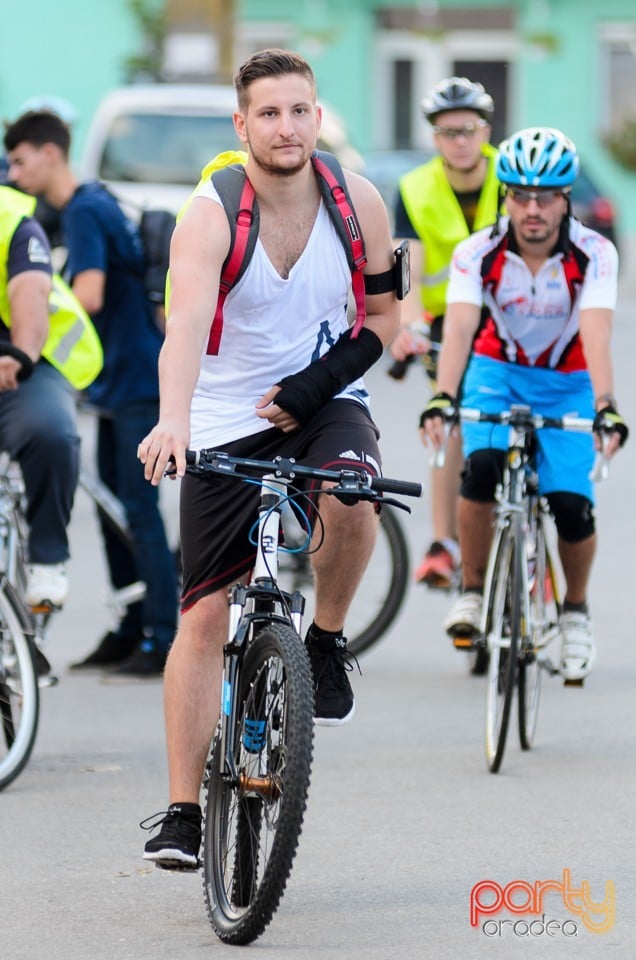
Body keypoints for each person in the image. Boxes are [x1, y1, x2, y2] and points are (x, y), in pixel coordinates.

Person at [136, 48, 400, 868]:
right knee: (204, 613)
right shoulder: (211, 214)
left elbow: (383, 324)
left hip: (324, 403)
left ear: (317, 118)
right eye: (270, 113)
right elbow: (183, 330)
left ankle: (323, 640)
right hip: (220, 412)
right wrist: (172, 421)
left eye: (300, 111)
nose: (287, 127)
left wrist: (313, 386)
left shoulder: (359, 203)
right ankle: (183, 811)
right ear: (242, 124)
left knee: (355, 495)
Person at [420, 127, 628, 682]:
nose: (532, 209)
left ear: (565, 199)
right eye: (520, 195)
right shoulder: (477, 251)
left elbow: (597, 333)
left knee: (570, 504)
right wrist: (443, 395)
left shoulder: (595, 253)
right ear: (505, 196)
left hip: (567, 380)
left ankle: (575, 611)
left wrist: (605, 404)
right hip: (497, 373)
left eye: (546, 196)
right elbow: (461, 326)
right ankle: (470, 590)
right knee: (481, 468)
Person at [4, 110, 178, 677]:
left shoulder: (80, 209)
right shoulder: (96, 199)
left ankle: (161, 636)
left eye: (21, 158)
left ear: (50, 153)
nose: (15, 170)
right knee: (112, 507)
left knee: (137, 507)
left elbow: (91, 295)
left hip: (133, 376)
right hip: (120, 376)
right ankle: (130, 627)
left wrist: (43, 282)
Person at [390, 77, 501, 589]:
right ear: (435, 137)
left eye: (469, 130)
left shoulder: (513, 174)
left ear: (485, 130)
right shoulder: (415, 188)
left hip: (514, 320)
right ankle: (444, 543)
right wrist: (410, 324)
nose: (459, 140)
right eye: (448, 131)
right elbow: (406, 267)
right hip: (444, 324)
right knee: (449, 416)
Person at [0, 184, 79, 607]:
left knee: (52, 432)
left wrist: (20, 355)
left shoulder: (14, 221)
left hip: (18, 367)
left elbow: (30, 290)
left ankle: (48, 559)